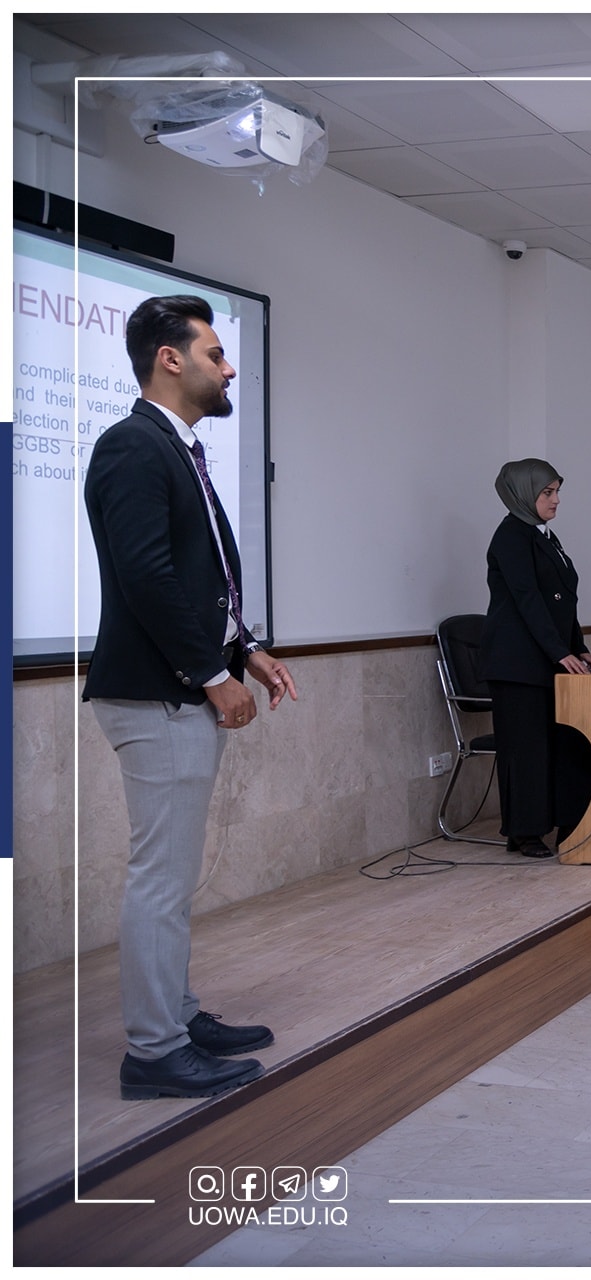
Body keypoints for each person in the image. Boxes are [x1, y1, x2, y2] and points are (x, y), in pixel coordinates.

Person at [84, 295, 299, 1100]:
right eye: (215, 353)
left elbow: (200, 573)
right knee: (161, 880)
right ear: (169, 359)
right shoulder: (132, 446)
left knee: (172, 877)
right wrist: (212, 676)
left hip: (176, 687)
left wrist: (247, 650)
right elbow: (147, 577)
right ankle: (154, 1051)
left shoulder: (178, 449)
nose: (230, 367)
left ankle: (176, 1015)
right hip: (158, 693)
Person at [482, 459, 591, 857]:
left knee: (564, 743)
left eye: (557, 492)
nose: (556, 500)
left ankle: (568, 822)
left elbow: (563, 601)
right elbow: (528, 600)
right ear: (522, 493)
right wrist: (560, 651)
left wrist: (577, 645)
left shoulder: (544, 536)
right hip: (517, 664)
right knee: (526, 750)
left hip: (546, 659)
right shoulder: (511, 536)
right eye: (547, 493)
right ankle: (523, 833)